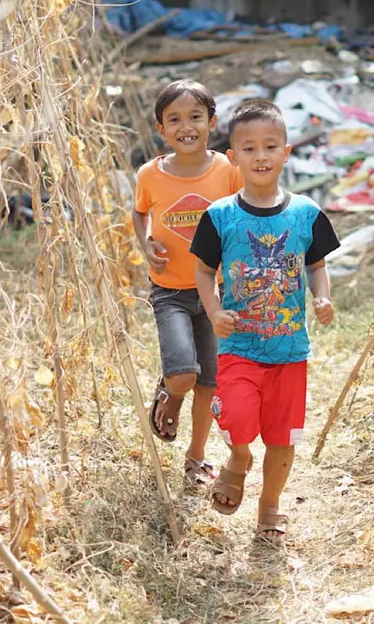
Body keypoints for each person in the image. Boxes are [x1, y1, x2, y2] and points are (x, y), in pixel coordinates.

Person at [190, 99, 340, 540]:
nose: (261, 156)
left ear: (286, 152)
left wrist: (323, 298)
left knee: (282, 438)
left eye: (270, 146)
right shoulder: (220, 217)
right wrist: (215, 310)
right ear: (233, 157)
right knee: (234, 413)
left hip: (289, 351)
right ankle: (238, 458)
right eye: (250, 149)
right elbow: (202, 270)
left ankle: (270, 506)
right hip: (239, 346)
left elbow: (316, 266)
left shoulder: (306, 214)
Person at [133, 80, 244, 485]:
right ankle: (169, 392)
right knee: (184, 374)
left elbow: (243, 216)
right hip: (170, 291)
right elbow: (140, 213)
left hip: (217, 294)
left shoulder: (228, 172)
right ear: (161, 129)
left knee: (209, 383)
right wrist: (146, 243)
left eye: (195, 117)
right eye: (174, 119)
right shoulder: (150, 175)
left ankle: (196, 457)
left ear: (212, 123)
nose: (186, 126)